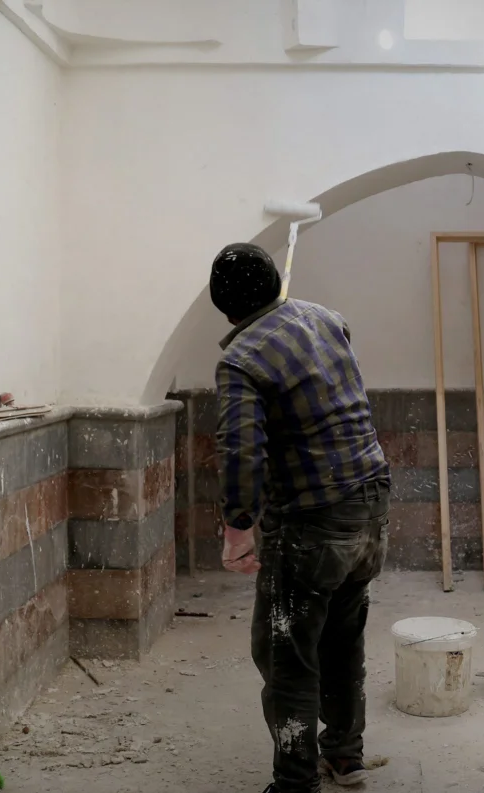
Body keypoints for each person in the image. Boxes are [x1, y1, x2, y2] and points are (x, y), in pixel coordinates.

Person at [208, 242, 392, 793]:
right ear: (275, 285)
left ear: (223, 306)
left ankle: (294, 782)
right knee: (342, 637)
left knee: (286, 650)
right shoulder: (326, 318)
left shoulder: (241, 359)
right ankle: (345, 756)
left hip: (313, 521)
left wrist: (238, 528)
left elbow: (241, 448)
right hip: (371, 505)